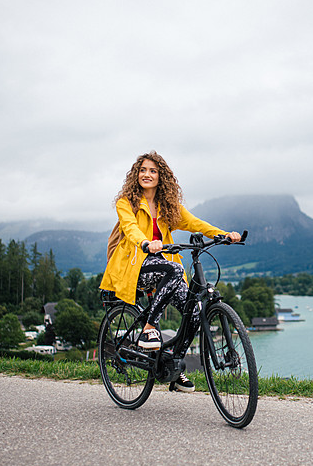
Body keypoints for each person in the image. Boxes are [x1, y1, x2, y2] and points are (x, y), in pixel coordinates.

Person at [100, 151, 241, 392]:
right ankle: (149, 328)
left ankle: (174, 367)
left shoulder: (168, 207)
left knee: (195, 312)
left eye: (153, 171)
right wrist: (146, 243)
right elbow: (130, 228)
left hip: (163, 268)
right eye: (143, 170)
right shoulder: (126, 203)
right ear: (136, 174)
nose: (147, 174)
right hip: (134, 265)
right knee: (175, 268)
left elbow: (194, 223)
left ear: (161, 176)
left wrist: (223, 234)